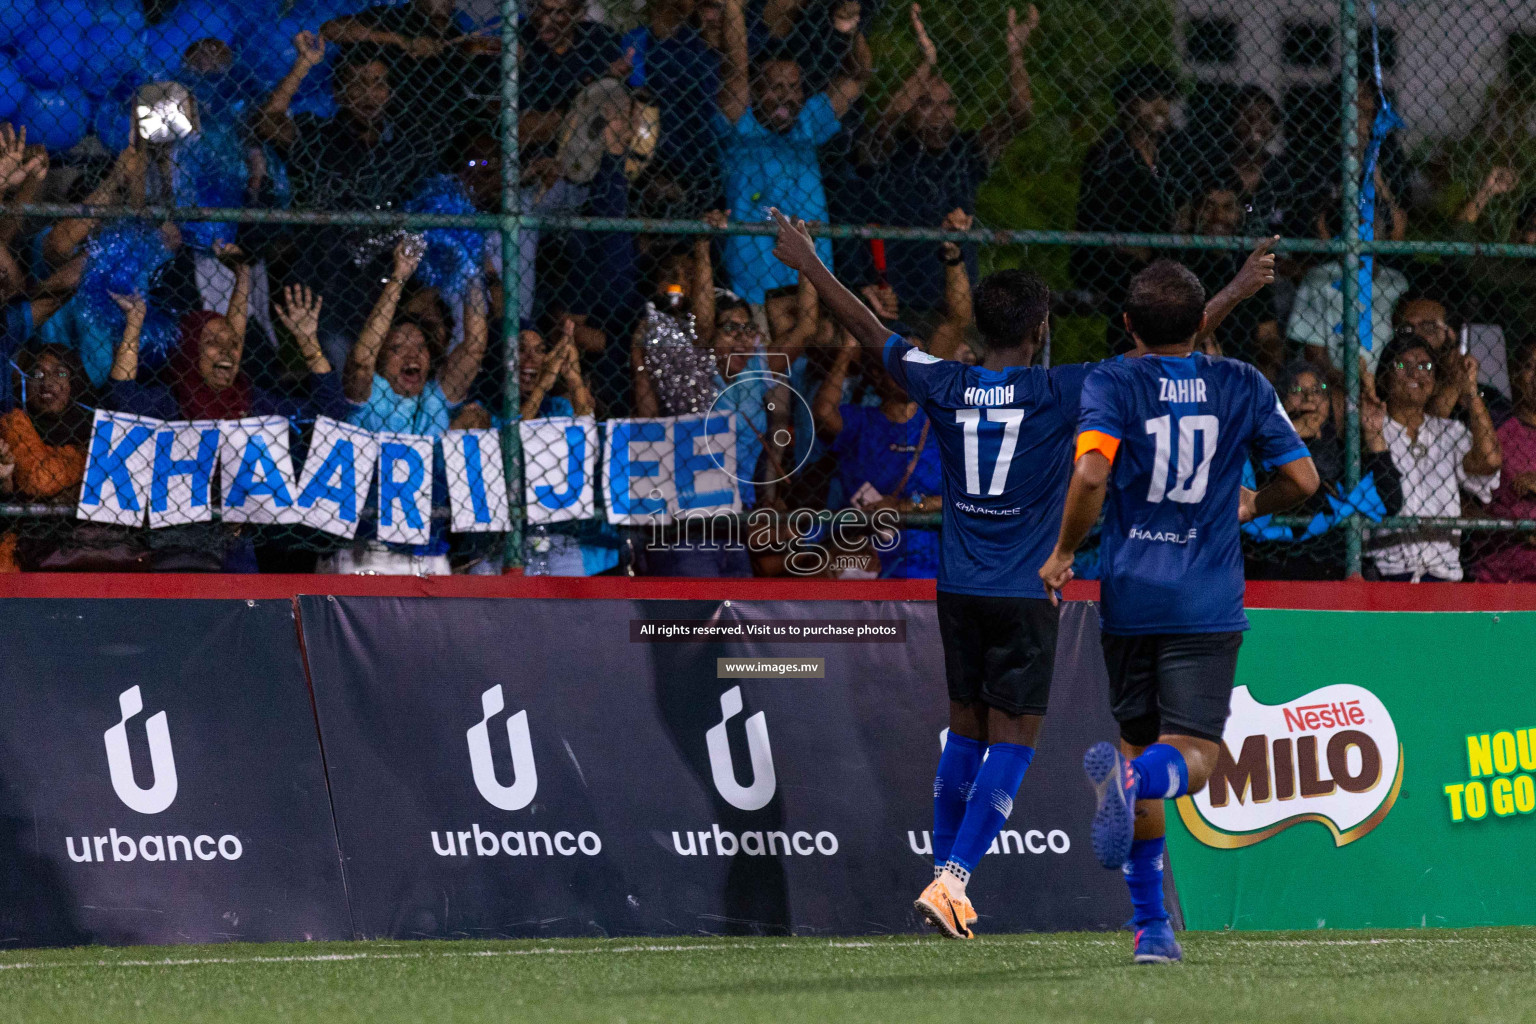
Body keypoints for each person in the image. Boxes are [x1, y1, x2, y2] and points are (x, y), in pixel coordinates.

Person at [774, 209, 1279, 937]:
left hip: (959, 587)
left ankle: (947, 883)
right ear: (1041, 331)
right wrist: (1233, 288)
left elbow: (868, 332)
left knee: (964, 734)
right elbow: (1160, 352)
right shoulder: (1062, 390)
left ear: (979, 329)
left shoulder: (943, 381)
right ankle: (952, 878)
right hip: (1027, 587)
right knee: (1013, 740)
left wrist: (811, 265)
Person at [1039, 258, 1319, 965]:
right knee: (1191, 759)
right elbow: (1305, 479)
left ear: (1127, 325)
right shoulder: (1244, 383)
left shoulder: (1111, 380)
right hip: (1205, 599)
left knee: (1137, 746)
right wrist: (1256, 501)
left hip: (1131, 597)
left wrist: (1064, 552)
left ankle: (1152, 928)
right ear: (1201, 323)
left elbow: (1093, 471)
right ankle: (1136, 790)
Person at [253, 34, 437, 359]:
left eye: (378, 83)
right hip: (327, 287)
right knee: (343, 378)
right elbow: (267, 123)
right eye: (358, 84)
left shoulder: (402, 146)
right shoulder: (317, 137)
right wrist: (304, 65)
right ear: (339, 92)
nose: (369, 94)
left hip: (386, 287)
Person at [849, 4, 1037, 314]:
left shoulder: (965, 150)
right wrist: (927, 62)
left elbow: (1020, 114)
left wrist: (1015, 53)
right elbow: (887, 117)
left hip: (957, 296)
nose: (938, 113)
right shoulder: (890, 150)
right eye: (925, 103)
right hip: (900, 299)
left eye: (947, 104)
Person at [712, 0, 868, 305]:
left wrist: (849, 30)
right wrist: (732, 7)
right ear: (755, 91)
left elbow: (858, 76)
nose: (786, 96)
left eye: (793, 87)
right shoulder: (740, 127)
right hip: (753, 288)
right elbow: (736, 68)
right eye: (775, 86)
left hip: (811, 285)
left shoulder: (808, 123)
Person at [1245, 362, 1402, 580]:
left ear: (1329, 404)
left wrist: (1374, 433)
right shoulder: (1262, 450)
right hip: (1276, 568)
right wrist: (1294, 436)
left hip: (1333, 571)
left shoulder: (1343, 457)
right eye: (1297, 390)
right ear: (1281, 400)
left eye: (1317, 391)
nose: (1309, 398)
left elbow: (1390, 501)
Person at [1366, 332, 1501, 582]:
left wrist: (1470, 391)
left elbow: (1489, 461)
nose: (1415, 373)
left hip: (1443, 572)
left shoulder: (1448, 431)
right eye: (1402, 365)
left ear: (1435, 381)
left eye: (1425, 366)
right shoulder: (1370, 428)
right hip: (1387, 571)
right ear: (1384, 378)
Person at [1072, 64, 1178, 311]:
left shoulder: (1175, 151)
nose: (1161, 107)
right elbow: (1101, 225)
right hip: (1117, 267)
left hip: (1164, 261)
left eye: (1166, 98)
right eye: (1149, 98)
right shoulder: (1108, 154)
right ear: (1125, 104)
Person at [0, 345, 94, 572]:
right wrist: (86, 459)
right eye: (37, 374)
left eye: (60, 373)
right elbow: (38, 479)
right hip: (24, 538)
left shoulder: (93, 424)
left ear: (74, 383)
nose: (47, 381)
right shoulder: (13, 421)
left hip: (83, 538)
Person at [1474, 340, 1536, 582]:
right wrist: (1514, 526)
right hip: (1501, 580)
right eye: (1530, 367)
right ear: (1515, 375)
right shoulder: (1496, 432)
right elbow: (1464, 504)